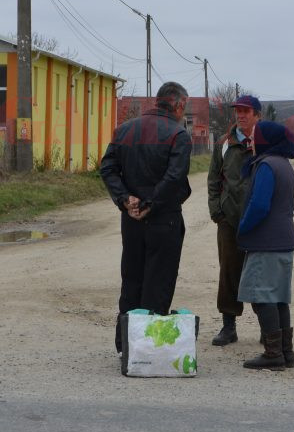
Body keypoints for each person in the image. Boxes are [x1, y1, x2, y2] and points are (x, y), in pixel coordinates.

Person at [100, 81, 192, 353]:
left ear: (158, 100)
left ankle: (125, 344)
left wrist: (126, 199)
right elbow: (175, 177)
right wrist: (152, 204)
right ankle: (149, 347)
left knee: (131, 278)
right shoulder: (178, 134)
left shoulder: (124, 129)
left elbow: (108, 168)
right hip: (164, 219)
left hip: (131, 219)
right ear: (179, 104)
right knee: (158, 281)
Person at [236, 120, 294, 371]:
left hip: (267, 241)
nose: (251, 139)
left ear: (266, 140)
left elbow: (260, 205)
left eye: (255, 135)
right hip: (284, 240)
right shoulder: (284, 164)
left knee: (262, 297)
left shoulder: (266, 166)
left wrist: (242, 227)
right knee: (279, 298)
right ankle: (286, 353)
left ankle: (273, 355)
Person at [206, 95, 261, 346]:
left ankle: (267, 328)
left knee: (261, 273)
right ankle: (229, 327)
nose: (241, 115)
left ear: (257, 115)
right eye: (238, 111)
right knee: (229, 271)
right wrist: (216, 210)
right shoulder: (223, 144)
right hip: (229, 219)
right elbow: (213, 180)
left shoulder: (265, 142)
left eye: (246, 111)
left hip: (259, 220)